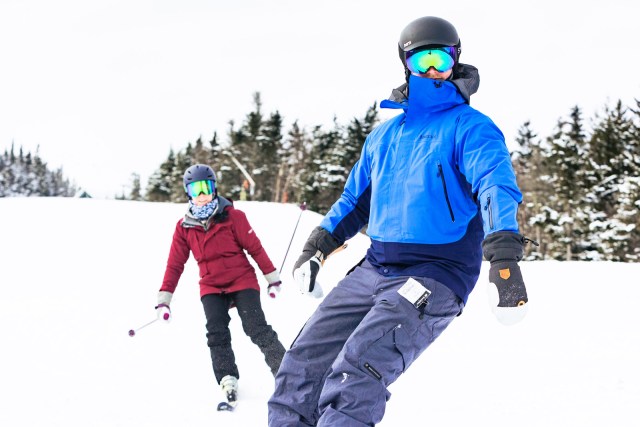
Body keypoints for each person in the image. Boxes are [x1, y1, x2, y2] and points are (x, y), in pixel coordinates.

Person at [268, 16, 533, 426]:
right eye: (423, 57)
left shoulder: (471, 128)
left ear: (455, 61)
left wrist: (503, 256)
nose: (432, 69)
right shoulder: (385, 137)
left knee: (357, 371)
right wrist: (316, 248)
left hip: (435, 273)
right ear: (405, 62)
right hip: (375, 267)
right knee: (303, 363)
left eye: (441, 58)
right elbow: (356, 201)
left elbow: (494, 186)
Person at [155, 163, 286, 406]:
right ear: (188, 193)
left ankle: (287, 373)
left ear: (214, 188)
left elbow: (255, 248)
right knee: (216, 332)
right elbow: (175, 265)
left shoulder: (233, 217)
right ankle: (227, 377)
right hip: (212, 286)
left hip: (242, 280)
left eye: (206, 187)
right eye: (196, 190)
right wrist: (164, 301)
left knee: (256, 327)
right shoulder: (184, 227)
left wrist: (272, 279)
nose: (202, 195)